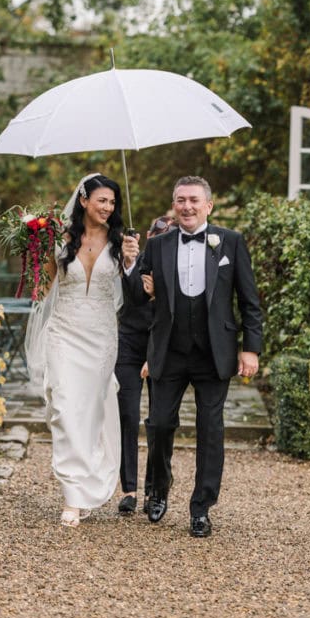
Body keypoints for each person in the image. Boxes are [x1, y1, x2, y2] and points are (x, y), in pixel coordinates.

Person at [135, 175, 262, 538]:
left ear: (209, 205)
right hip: (168, 350)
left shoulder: (231, 243)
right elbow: (137, 302)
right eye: (180, 200)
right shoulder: (157, 246)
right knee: (158, 423)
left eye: (193, 200)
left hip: (213, 353)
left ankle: (201, 507)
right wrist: (136, 274)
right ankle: (158, 489)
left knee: (211, 430)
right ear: (173, 205)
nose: (186, 206)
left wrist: (250, 348)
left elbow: (249, 301)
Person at [30, 172, 138, 528]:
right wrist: (33, 252)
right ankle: (72, 496)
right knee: (64, 408)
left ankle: (91, 480)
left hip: (101, 336)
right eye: (101, 200)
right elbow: (41, 289)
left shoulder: (122, 241)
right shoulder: (60, 239)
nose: (107, 207)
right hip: (64, 332)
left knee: (91, 412)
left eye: (111, 202)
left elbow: (136, 292)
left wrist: (131, 261)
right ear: (83, 200)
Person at [115, 214, 175, 516]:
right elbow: (128, 295)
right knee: (127, 412)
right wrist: (129, 263)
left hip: (162, 345)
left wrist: (158, 293)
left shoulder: (180, 262)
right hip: (129, 342)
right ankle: (129, 488)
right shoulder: (135, 259)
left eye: (166, 233)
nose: (160, 237)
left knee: (158, 420)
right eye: (156, 233)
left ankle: (155, 488)